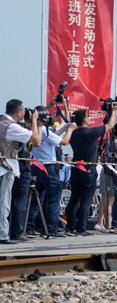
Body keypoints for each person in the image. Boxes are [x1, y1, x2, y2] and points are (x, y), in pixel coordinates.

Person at [66, 107, 115, 235]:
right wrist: (114, 110)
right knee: (86, 200)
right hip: (88, 170)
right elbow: (110, 125)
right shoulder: (90, 133)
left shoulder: (73, 134)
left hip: (76, 168)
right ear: (85, 120)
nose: (89, 119)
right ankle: (81, 228)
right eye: (87, 117)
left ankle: (70, 227)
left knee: (74, 199)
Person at [0, 100, 42, 244]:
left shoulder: (1, 121)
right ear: (18, 112)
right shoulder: (11, 127)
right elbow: (36, 141)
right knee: (4, 203)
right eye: (23, 110)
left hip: (4, 166)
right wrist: (36, 121)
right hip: (6, 168)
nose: (25, 112)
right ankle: (3, 235)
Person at [30, 106, 75, 237]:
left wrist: (65, 128)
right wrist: (71, 129)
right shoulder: (43, 130)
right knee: (53, 200)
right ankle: (51, 229)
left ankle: (30, 226)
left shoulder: (37, 129)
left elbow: (53, 136)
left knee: (36, 199)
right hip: (48, 167)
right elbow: (65, 142)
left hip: (37, 166)